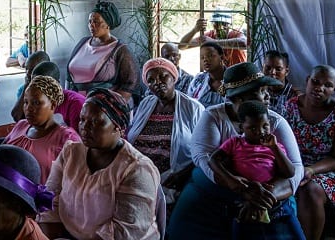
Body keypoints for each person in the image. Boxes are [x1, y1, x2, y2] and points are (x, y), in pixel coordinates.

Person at [166, 62, 305, 240]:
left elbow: (295, 168)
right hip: (217, 190)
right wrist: (239, 188)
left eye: (265, 90)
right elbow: (203, 157)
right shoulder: (214, 116)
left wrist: (263, 199)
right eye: (260, 92)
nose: (267, 96)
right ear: (238, 99)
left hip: (268, 192)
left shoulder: (274, 122)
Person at [39, 88, 161, 240]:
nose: (84, 127)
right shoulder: (70, 152)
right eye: (82, 119)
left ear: (118, 127)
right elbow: (50, 199)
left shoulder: (136, 169)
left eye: (96, 122)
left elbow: (123, 233)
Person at [127, 57, 205, 216]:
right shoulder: (146, 104)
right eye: (151, 80)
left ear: (173, 78)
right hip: (140, 173)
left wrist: (183, 174)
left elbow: (204, 150)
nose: (158, 82)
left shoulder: (192, 107)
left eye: (163, 76)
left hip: (173, 176)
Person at [209, 100, 296, 232]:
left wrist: (274, 148)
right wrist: (230, 179)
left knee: (288, 229)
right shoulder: (235, 142)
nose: (260, 131)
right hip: (244, 193)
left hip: (271, 195)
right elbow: (213, 160)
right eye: (253, 128)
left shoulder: (274, 146)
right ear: (241, 127)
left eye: (265, 126)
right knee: (244, 228)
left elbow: (289, 173)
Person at [278, 65, 335, 240]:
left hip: (326, 170)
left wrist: (311, 170)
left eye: (327, 85)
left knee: (310, 189)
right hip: (293, 164)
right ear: (307, 81)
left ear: (334, 90)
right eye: (315, 82)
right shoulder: (291, 107)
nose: (319, 88)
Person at [4, 75, 81, 184]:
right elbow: (0, 154)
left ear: (53, 105)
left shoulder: (67, 139)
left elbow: (75, 181)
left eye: (36, 103)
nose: (28, 108)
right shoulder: (21, 126)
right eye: (26, 102)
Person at [66, 0, 138, 103]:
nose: (92, 25)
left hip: (101, 106)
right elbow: (69, 77)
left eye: (96, 22)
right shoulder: (83, 43)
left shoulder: (120, 50)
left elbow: (130, 84)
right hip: (74, 102)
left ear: (108, 24)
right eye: (90, 21)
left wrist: (111, 105)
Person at [31, 61, 86, 131]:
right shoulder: (36, 103)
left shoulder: (75, 103)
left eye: (43, 87)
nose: (37, 91)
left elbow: (77, 140)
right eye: (34, 86)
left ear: (57, 84)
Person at [179, 11, 247, 65]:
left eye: (223, 24)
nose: (219, 27)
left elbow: (244, 43)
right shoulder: (209, 36)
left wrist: (214, 42)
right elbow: (182, 46)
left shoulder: (235, 34)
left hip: (238, 76)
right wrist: (194, 30)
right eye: (216, 24)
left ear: (229, 25)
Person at [10, 50, 51, 122]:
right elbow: (16, 117)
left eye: (32, 69)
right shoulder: (23, 89)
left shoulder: (52, 90)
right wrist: (26, 86)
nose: (28, 73)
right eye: (26, 68)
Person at [185, 42, 227, 108]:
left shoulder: (233, 80)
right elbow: (190, 104)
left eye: (210, 55)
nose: (205, 60)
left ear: (222, 57)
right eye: (202, 57)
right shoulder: (198, 80)